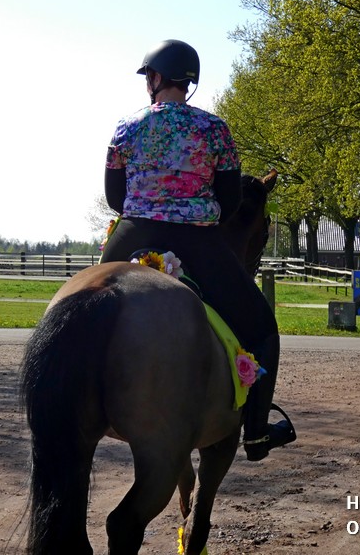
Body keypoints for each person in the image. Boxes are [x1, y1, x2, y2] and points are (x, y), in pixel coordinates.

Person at [99, 39, 295, 461]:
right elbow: (229, 200)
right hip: (198, 240)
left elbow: (115, 198)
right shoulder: (214, 129)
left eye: (148, 76)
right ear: (188, 83)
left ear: (155, 79)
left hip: (132, 234)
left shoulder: (126, 127)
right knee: (262, 328)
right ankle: (257, 433)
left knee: (82, 304)